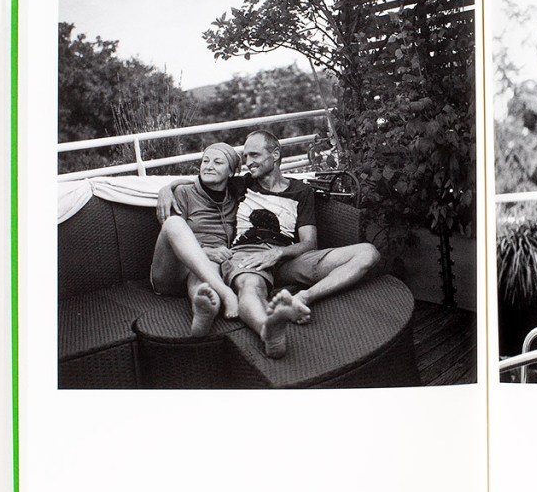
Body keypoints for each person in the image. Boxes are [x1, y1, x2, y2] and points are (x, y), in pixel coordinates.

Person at [158, 130, 381, 359]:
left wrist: (279, 253)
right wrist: (169, 188)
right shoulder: (242, 184)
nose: (248, 162)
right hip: (248, 256)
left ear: (274, 155)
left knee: (368, 253)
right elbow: (206, 179)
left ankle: (304, 298)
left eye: (254, 155)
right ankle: (267, 331)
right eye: (245, 157)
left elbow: (309, 243)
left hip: (288, 258)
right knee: (250, 287)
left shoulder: (301, 191)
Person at [149, 143, 242, 337]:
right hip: (172, 271)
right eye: (205, 161)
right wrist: (168, 187)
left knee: (205, 283)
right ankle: (226, 294)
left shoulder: (236, 197)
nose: (209, 166)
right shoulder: (184, 192)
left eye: (217, 162)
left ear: (231, 171)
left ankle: (206, 310)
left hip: (209, 269)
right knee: (174, 223)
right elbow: (173, 237)